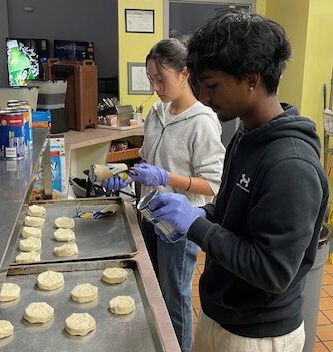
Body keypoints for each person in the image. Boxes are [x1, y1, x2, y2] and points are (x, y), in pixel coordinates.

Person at [148, 11, 329, 352]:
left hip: (258, 335)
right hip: (222, 317)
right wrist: (202, 216)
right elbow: (233, 215)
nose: (203, 96)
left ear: (251, 79)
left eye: (213, 85)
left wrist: (196, 227)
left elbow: (272, 272)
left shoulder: (291, 165)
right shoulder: (246, 136)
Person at [103, 38, 225, 352]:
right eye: (151, 80)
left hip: (180, 226)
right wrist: (126, 176)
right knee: (153, 287)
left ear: (185, 74)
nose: (156, 87)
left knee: (175, 298)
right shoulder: (158, 112)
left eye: (162, 79)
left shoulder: (203, 122)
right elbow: (146, 160)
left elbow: (213, 184)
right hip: (149, 214)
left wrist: (166, 177)